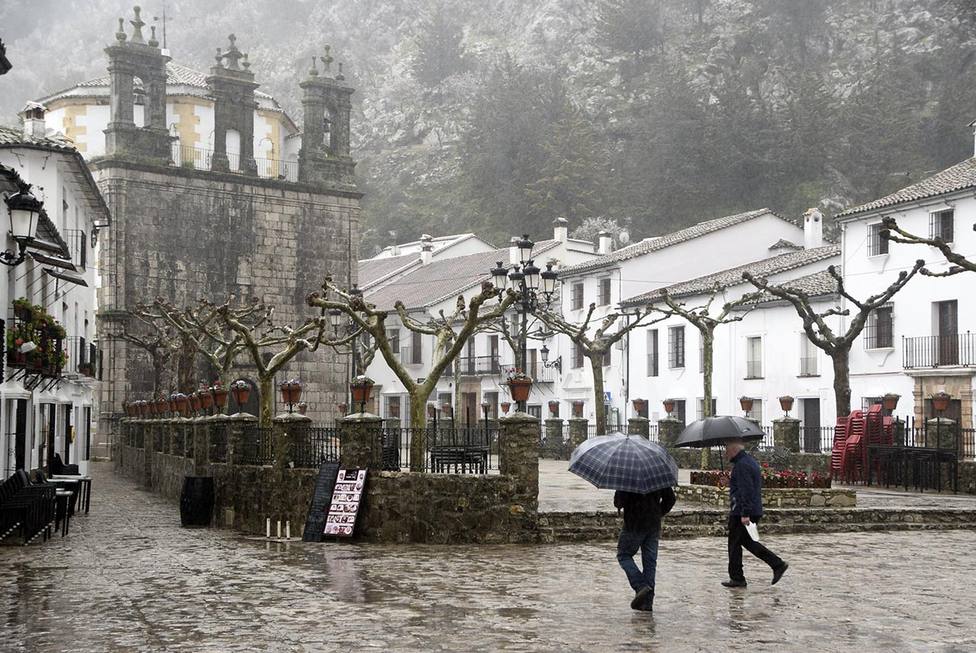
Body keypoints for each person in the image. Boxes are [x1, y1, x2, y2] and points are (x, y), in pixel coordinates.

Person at [722, 438, 789, 588]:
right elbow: (743, 486)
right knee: (747, 542)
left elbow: (746, 491)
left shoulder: (742, 466)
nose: (725, 453)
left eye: (727, 450)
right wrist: (730, 482)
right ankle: (776, 564)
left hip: (742, 511)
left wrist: (744, 513)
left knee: (734, 545)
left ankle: (738, 578)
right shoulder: (747, 462)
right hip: (750, 509)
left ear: (734, 450)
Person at [614, 486, 676, 612]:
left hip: (633, 524)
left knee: (623, 555)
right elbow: (670, 499)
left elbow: (619, 502)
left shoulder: (627, 476)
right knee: (650, 563)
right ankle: (647, 603)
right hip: (653, 524)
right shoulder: (657, 475)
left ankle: (640, 585)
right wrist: (657, 513)